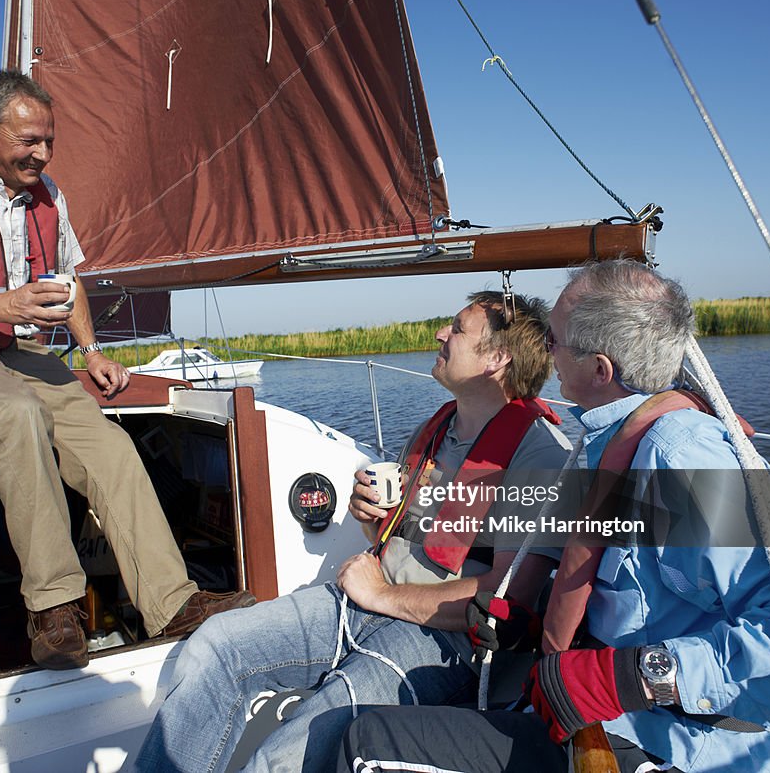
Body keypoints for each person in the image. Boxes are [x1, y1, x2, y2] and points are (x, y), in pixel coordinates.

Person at [337, 260, 770, 773]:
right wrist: (526, 618)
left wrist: (632, 676)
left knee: (367, 738)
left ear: (600, 369)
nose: (544, 351)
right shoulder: (605, 444)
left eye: (555, 339)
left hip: (681, 744)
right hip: (596, 713)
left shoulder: (682, 456)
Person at [0, 70, 254, 671]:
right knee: (18, 413)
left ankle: (173, 604)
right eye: (29, 141)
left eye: (48, 140)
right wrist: (0, 305)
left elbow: (69, 281)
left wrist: (92, 350)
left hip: (22, 348)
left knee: (110, 445)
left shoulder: (47, 195)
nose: (43, 154)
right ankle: (53, 610)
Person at [134, 290, 572, 772]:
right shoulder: (438, 429)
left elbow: (513, 600)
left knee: (288, 751)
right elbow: (405, 543)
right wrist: (373, 523)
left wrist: (383, 596)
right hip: (367, 598)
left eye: (457, 328)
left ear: (496, 358)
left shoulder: (539, 457)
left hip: (442, 640)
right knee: (215, 647)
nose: (439, 334)